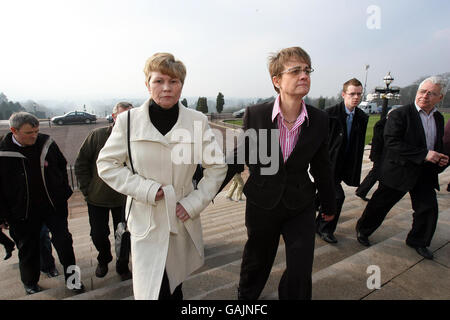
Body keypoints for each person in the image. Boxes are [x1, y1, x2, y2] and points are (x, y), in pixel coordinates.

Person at [96, 53, 227, 300]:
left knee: (174, 284)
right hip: (146, 218)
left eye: (174, 81)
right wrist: (145, 189)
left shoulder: (197, 120)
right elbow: (107, 165)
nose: (166, 88)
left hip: (181, 216)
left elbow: (217, 168)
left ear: (181, 85)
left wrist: (193, 203)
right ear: (147, 84)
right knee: (151, 289)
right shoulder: (128, 121)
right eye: (159, 81)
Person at [221, 47, 336, 300]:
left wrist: (329, 203)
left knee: (301, 267)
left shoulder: (319, 119)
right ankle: (246, 296)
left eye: (307, 70)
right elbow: (240, 156)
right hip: (263, 203)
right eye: (295, 71)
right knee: (257, 260)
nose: (303, 75)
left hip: (301, 203)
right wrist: (203, 188)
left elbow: (322, 166)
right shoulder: (257, 114)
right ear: (276, 80)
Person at [356, 76, 448, 260]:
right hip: (399, 170)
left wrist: (438, 157)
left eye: (431, 93)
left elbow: (433, 142)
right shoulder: (401, 114)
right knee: (380, 205)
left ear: (440, 98)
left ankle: (418, 240)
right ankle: (363, 230)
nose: (425, 96)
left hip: (424, 172)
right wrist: (424, 154)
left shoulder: (438, 117)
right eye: (422, 91)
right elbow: (392, 142)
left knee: (428, 209)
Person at [0, 112, 85, 294]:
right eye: (29, 132)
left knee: (64, 244)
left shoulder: (47, 143)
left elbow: (61, 166)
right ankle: (30, 283)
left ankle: (73, 279)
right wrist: (5, 215)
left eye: (37, 131)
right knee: (28, 250)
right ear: (14, 130)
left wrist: (62, 192)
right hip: (22, 213)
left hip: (53, 207)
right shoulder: (3, 152)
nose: (34, 136)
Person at [75, 102, 133, 280]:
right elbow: (81, 163)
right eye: (122, 116)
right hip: (97, 198)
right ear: (114, 117)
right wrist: (88, 189)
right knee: (98, 234)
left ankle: (122, 265)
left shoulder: (137, 139)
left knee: (125, 236)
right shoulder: (97, 136)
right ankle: (104, 258)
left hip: (125, 199)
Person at [315, 78, 368, 244]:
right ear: (344, 94)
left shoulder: (361, 116)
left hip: (344, 165)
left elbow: (357, 144)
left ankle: (306, 217)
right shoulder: (328, 114)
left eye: (359, 94)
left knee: (320, 196)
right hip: (327, 165)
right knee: (337, 197)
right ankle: (324, 229)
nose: (356, 97)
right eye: (352, 93)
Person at [355, 109, 394, 201]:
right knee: (375, 174)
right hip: (379, 155)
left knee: (377, 174)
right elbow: (381, 141)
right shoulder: (381, 124)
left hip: (383, 155)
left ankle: (362, 191)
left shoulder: (385, 123)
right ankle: (362, 191)